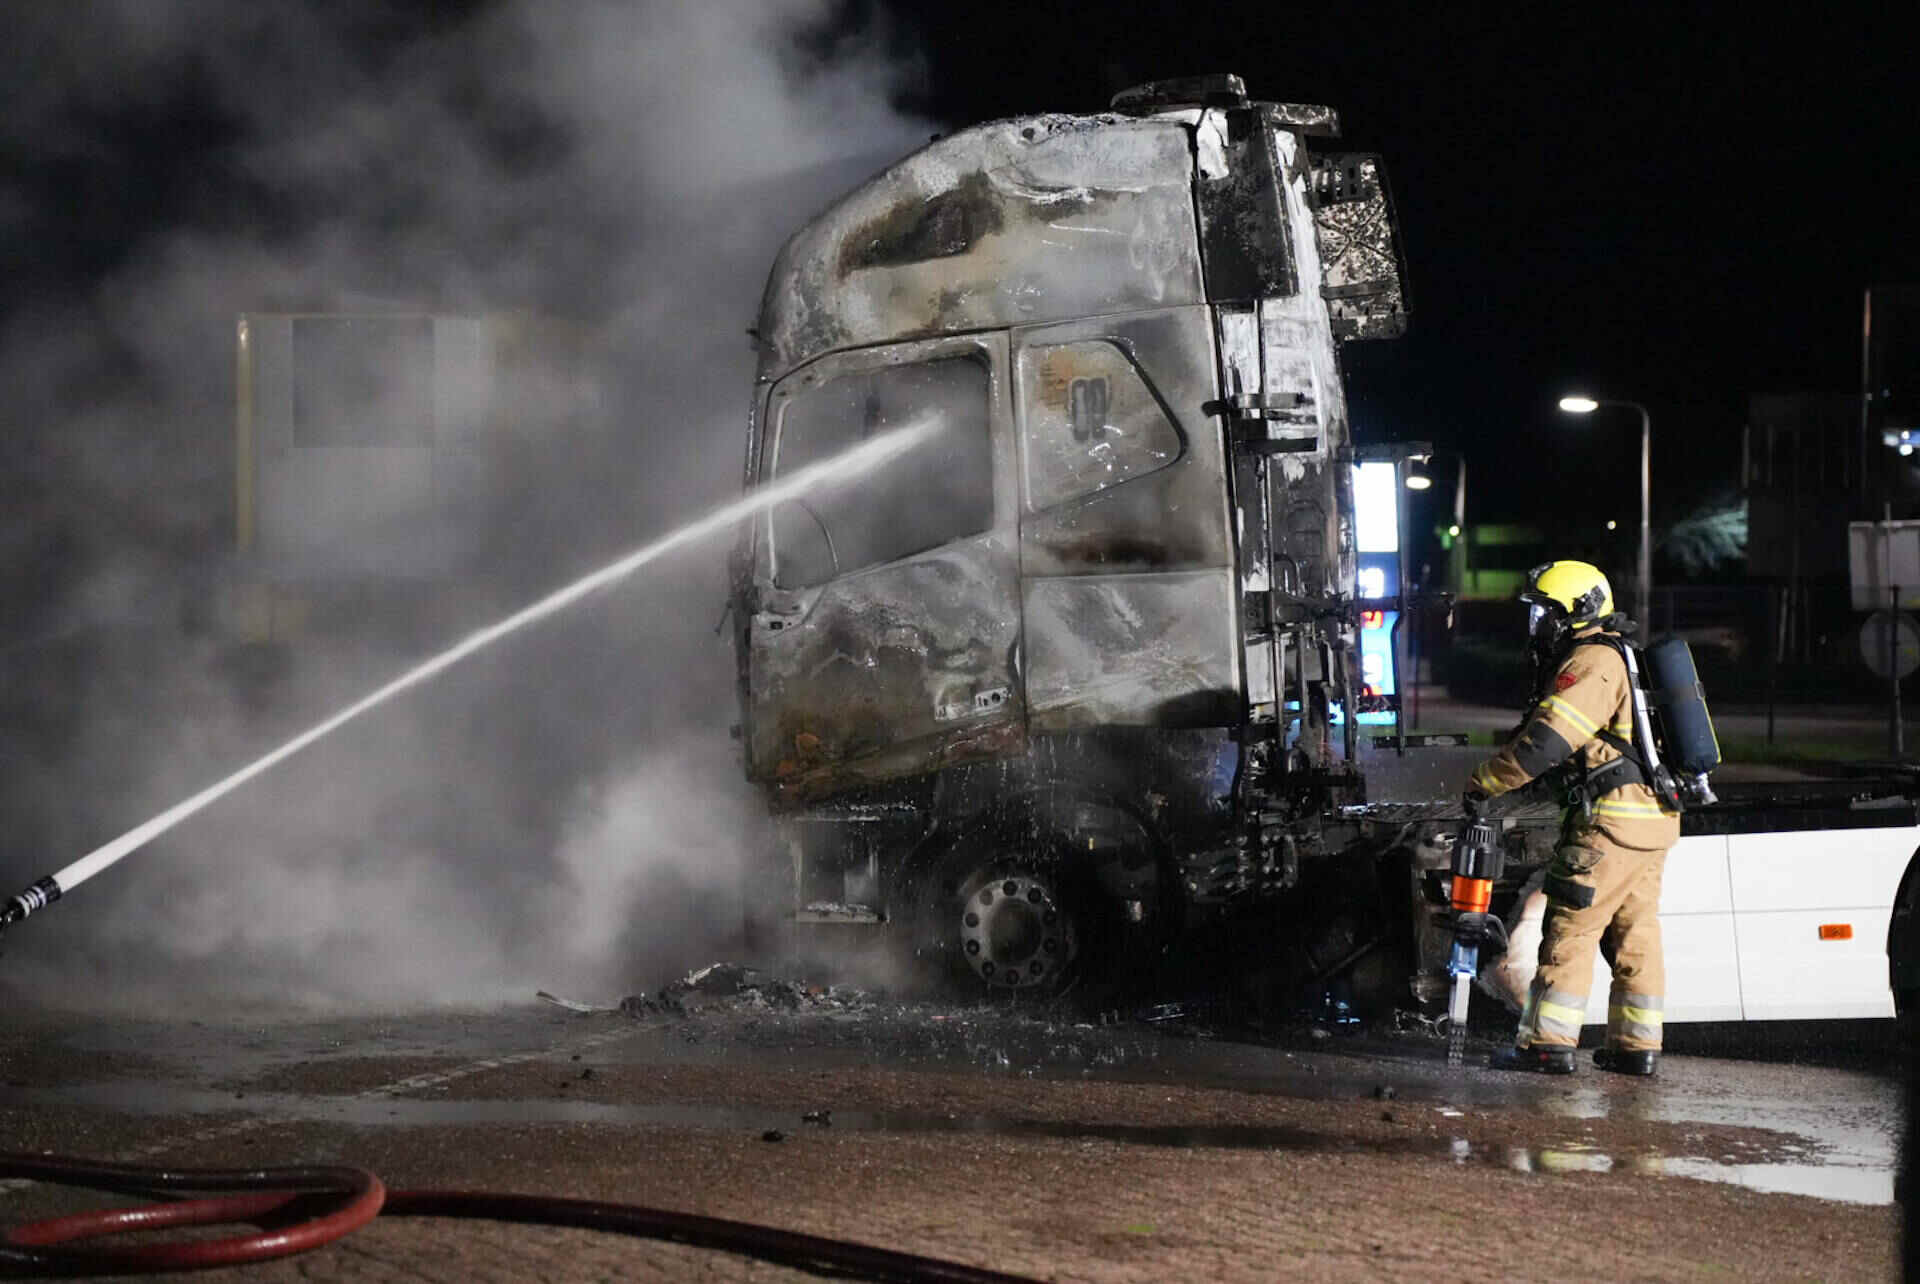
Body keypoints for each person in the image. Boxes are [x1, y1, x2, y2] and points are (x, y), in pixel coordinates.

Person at [1465, 561, 1679, 1075]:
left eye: (1545, 611)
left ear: (1574, 612)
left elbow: (1547, 742)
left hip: (1609, 825)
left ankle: (1547, 1044)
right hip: (1651, 821)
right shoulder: (1622, 655)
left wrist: (1485, 782)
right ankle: (1636, 1049)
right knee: (1637, 938)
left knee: (1570, 931)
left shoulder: (1590, 661)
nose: (1537, 622)